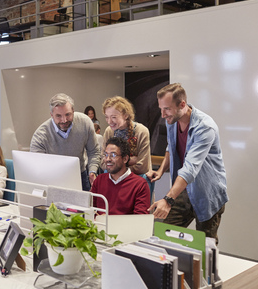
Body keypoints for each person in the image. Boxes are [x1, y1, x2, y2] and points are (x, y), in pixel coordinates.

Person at [147, 83, 228, 243]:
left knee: (206, 247)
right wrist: (162, 170)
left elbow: (190, 168)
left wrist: (168, 199)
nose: (163, 115)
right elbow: (171, 146)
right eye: (161, 109)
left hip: (208, 192)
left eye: (167, 109)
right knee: (165, 236)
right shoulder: (172, 121)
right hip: (185, 189)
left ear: (182, 104)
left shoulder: (205, 127)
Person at [30, 93, 101, 191]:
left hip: (81, 176)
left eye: (68, 114)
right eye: (58, 116)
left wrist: (92, 171)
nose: (64, 120)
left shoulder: (85, 122)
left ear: (73, 111)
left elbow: (94, 151)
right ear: (51, 115)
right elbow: (37, 167)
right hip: (53, 180)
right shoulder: (41, 136)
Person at [91, 137, 150, 215]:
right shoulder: (99, 180)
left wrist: (110, 220)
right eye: (106, 155)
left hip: (125, 227)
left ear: (125, 159)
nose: (108, 159)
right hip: (99, 226)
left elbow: (140, 219)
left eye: (113, 155)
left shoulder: (140, 184)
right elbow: (91, 209)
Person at [102, 96, 152, 175]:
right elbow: (103, 163)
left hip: (136, 177)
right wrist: (130, 161)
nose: (109, 121)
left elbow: (142, 167)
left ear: (125, 115)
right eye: (107, 117)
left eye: (114, 117)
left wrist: (116, 164)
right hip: (114, 176)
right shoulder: (109, 131)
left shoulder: (141, 131)